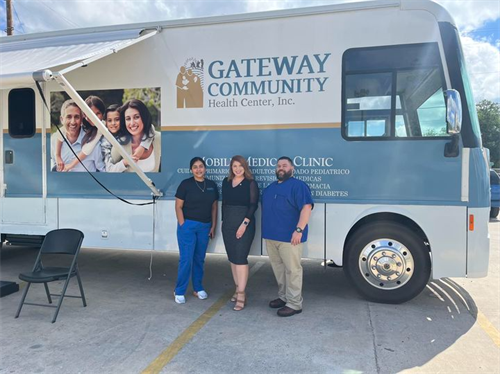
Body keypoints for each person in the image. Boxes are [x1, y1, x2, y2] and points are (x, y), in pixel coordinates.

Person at [261, 156, 313, 317]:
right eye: (278, 166)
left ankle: (295, 303)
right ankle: (284, 297)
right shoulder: (270, 188)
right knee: (279, 270)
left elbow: (306, 208)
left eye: (284, 165)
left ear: (292, 169)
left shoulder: (298, 186)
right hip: (271, 237)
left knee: (293, 270)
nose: (281, 168)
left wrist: (299, 230)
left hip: (290, 238)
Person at [174, 157, 218, 304]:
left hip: (205, 227)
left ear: (205, 168)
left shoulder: (211, 185)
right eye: (195, 167)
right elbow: (178, 206)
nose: (198, 169)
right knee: (186, 259)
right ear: (191, 170)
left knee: (199, 259)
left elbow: (214, 207)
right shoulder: (185, 185)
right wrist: (182, 224)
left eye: (201, 166)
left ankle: (198, 288)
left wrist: (213, 226)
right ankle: (179, 290)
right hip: (188, 226)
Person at [221, 155, 259, 311]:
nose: (237, 169)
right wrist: (224, 221)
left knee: (241, 258)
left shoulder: (251, 183)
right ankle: (237, 288)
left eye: (240, 166)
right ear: (231, 167)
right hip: (228, 224)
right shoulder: (226, 182)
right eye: (234, 166)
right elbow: (224, 203)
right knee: (232, 259)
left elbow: (253, 205)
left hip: (244, 224)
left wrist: (244, 224)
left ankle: (242, 294)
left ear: (245, 167)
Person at [54, 96, 105, 172]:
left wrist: (70, 166)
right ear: (84, 116)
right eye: (69, 117)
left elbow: (87, 149)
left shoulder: (102, 128)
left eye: (97, 114)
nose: (73, 122)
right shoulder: (53, 140)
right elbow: (61, 131)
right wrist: (57, 156)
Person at [110, 99, 160, 173]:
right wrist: (124, 162)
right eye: (128, 119)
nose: (132, 123)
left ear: (144, 117)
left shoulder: (158, 138)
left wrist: (143, 146)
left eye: (136, 117)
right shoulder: (120, 143)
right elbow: (108, 170)